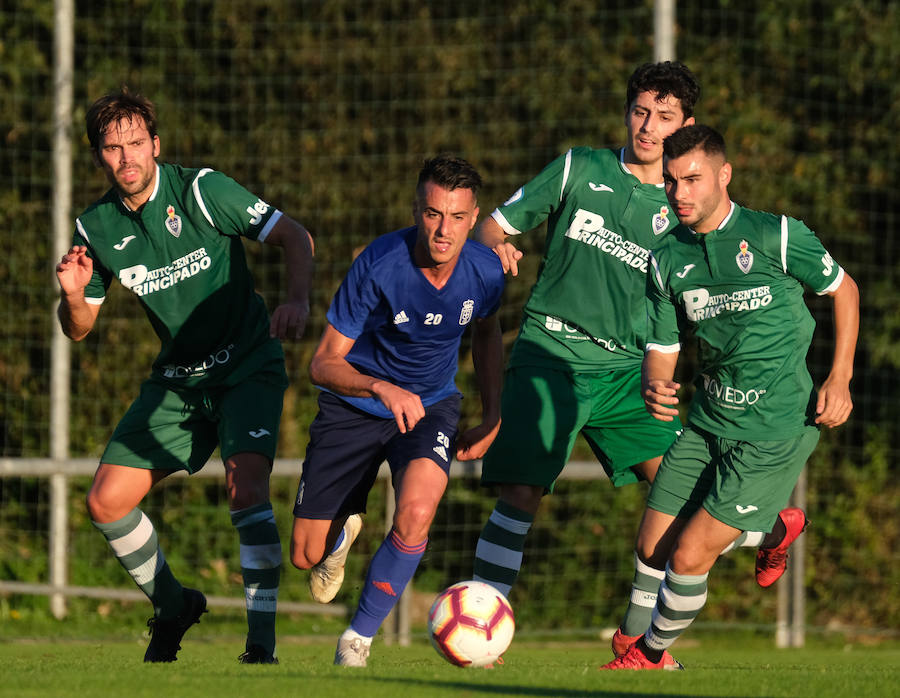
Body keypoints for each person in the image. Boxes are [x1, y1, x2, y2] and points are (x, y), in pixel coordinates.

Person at [55, 88, 314, 665]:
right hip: (177, 383)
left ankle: (261, 649)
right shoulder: (95, 227)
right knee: (105, 502)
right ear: (98, 155)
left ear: (156, 145)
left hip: (246, 366)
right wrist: (73, 297)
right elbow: (78, 330)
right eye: (112, 148)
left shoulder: (202, 191)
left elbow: (296, 237)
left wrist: (297, 301)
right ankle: (174, 605)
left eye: (136, 144)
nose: (126, 159)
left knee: (245, 491)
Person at [601, 124, 859, 670]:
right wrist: (655, 380)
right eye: (671, 182)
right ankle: (775, 527)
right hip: (707, 422)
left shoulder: (776, 236)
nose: (680, 193)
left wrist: (840, 378)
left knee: (691, 554)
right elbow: (664, 345)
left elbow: (845, 290)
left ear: (724, 175)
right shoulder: (667, 256)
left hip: (773, 428)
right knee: (652, 547)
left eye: (692, 179)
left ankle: (650, 657)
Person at [471, 61, 699, 634]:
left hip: (628, 373)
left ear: (686, 125)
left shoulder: (685, 209)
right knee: (520, 493)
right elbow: (492, 227)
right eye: (641, 111)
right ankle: (481, 628)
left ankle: (642, 641)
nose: (648, 127)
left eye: (664, 117)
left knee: (683, 492)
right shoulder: (580, 166)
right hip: (552, 353)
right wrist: (497, 250)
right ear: (627, 112)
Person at [289, 155, 506, 667]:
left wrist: (493, 414)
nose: (443, 230)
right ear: (416, 210)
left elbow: (487, 334)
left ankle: (356, 641)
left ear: (474, 219)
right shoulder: (378, 264)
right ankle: (340, 534)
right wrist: (380, 388)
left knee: (416, 514)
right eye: (433, 214)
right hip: (355, 404)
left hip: (430, 407)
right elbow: (322, 363)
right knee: (305, 554)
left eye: (456, 217)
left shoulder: (486, 272)